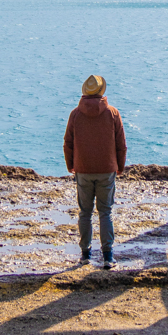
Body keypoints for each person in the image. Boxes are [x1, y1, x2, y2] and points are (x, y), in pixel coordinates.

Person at [63, 73, 126, 268]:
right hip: (106, 169)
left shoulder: (75, 114)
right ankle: (108, 257)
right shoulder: (113, 113)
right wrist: (120, 167)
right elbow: (121, 145)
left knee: (85, 212)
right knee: (105, 212)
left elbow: (68, 143)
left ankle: (85, 255)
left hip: (83, 169)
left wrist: (71, 165)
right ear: (101, 92)